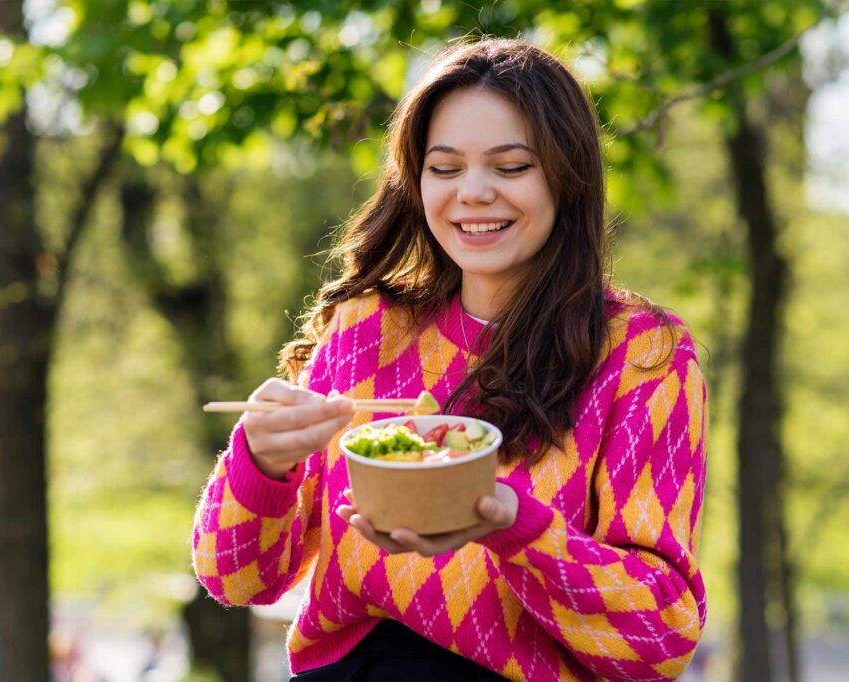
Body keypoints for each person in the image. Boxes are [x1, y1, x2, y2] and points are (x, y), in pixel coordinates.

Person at [191, 37, 708, 682]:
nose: (474, 192)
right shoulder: (367, 328)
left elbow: (660, 639)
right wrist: (262, 462)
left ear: (567, 176)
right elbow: (237, 579)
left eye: (511, 167)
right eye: (445, 168)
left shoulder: (642, 353)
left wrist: (510, 523)